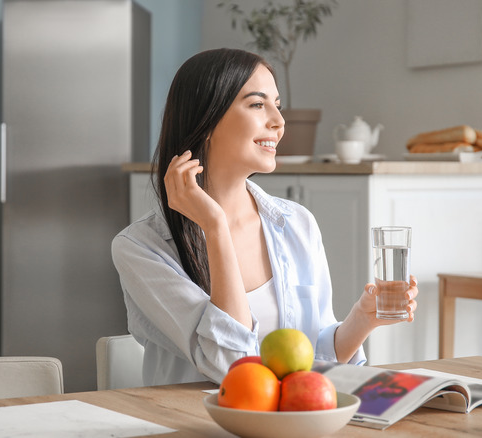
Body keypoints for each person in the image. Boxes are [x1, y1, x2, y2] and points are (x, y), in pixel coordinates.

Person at [111, 48, 418, 386]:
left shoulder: (298, 224)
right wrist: (216, 227)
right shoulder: (141, 248)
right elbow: (232, 367)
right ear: (206, 120)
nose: (279, 121)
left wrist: (362, 319)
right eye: (258, 104)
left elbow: (310, 363)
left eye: (277, 105)